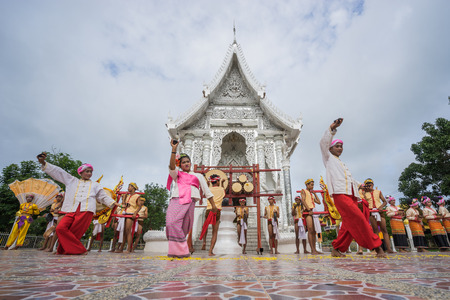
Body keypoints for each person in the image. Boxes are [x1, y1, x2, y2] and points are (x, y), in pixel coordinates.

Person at [320, 118, 385, 258]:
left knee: (348, 225)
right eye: (337, 146)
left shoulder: (341, 163)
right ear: (330, 148)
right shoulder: (328, 158)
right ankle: (377, 247)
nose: (340, 149)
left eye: (341, 147)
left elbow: (350, 179)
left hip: (351, 194)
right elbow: (323, 143)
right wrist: (332, 128)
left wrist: (361, 185)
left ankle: (336, 249)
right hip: (340, 194)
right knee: (359, 219)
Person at [37, 152, 119, 255]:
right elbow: (59, 172)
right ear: (80, 172)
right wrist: (44, 163)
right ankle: (79, 250)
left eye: (91, 172)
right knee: (60, 228)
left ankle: (62, 250)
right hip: (70, 210)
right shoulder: (71, 180)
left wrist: (115, 203)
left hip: (86, 211)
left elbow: (102, 196)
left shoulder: (95, 185)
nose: (89, 173)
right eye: (87, 171)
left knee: (74, 233)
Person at [166, 140, 216, 258]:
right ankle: (182, 250)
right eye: (183, 162)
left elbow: (207, 191)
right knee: (170, 223)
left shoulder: (197, 175)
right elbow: (171, 166)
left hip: (190, 201)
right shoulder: (177, 174)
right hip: (176, 200)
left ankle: (177, 252)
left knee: (184, 227)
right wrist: (174, 149)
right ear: (180, 165)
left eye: (188, 161)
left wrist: (213, 205)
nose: (186, 163)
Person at [361, 179, 393, 253]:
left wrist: (381, 207)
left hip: (380, 211)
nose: (369, 185)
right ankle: (378, 249)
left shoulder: (378, 192)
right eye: (367, 184)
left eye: (370, 184)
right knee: (375, 231)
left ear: (373, 184)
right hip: (371, 212)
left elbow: (385, 201)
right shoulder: (364, 194)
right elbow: (364, 203)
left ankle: (389, 249)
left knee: (384, 230)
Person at [200, 174, 225, 256]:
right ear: (217, 181)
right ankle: (210, 251)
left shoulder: (208, 189)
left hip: (208, 209)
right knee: (214, 232)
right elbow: (223, 190)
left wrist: (207, 184)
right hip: (216, 210)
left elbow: (205, 190)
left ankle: (204, 242)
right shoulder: (221, 189)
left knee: (205, 226)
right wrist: (222, 183)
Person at [116, 183, 142, 253]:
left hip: (131, 214)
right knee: (124, 232)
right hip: (125, 213)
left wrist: (135, 213)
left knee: (128, 231)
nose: (128, 188)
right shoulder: (128, 196)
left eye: (129, 186)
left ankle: (128, 249)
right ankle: (121, 249)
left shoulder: (137, 196)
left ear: (133, 188)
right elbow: (124, 205)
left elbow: (139, 206)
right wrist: (124, 198)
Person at [300, 179, 322, 255]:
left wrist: (315, 193)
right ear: (307, 185)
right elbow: (303, 200)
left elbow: (319, 202)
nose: (312, 186)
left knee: (314, 231)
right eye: (311, 185)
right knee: (310, 229)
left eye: (313, 185)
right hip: (308, 211)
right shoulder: (303, 191)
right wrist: (309, 210)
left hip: (313, 212)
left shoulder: (311, 194)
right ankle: (312, 250)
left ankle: (315, 249)